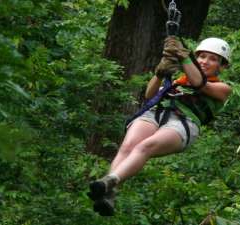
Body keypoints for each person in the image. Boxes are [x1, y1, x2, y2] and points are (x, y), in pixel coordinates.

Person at [87, 36, 232, 216]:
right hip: (157, 112)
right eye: (202, 56)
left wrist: (184, 58)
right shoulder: (179, 80)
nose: (205, 61)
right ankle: (109, 194)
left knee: (145, 146)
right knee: (127, 147)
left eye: (213, 59)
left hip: (184, 122)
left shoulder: (223, 88)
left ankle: (110, 181)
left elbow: (199, 83)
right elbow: (149, 95)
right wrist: (159, 73)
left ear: (222, 66)